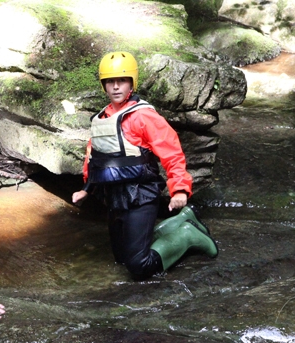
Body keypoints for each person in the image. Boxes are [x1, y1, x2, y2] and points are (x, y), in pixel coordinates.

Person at [72, 51, 218, 280]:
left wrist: (179, 188)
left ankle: (189, 235)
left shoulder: (144, 116)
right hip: (115, 196)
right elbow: (95, 156)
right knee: (121, 258)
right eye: (110, 81)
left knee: (138, 266)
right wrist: (86, 188)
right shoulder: (101, 118)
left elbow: (171, 152)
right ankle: (181, 221)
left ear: (132, 83)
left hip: (141, 194)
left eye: (122, 80)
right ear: (104, 85)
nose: (116, 87)